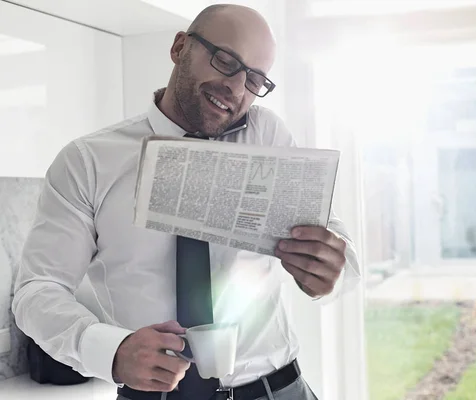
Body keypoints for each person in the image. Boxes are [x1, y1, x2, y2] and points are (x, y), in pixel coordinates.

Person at [12, 4, 360, 400]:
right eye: (225, 61)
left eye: (255, 80)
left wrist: (329, 267)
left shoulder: (266, 136)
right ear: (180, 47)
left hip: (277, 390)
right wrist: (112, 350)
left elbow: (340, 250)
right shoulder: (88, 161)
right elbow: (37, 290)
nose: (236, 87)